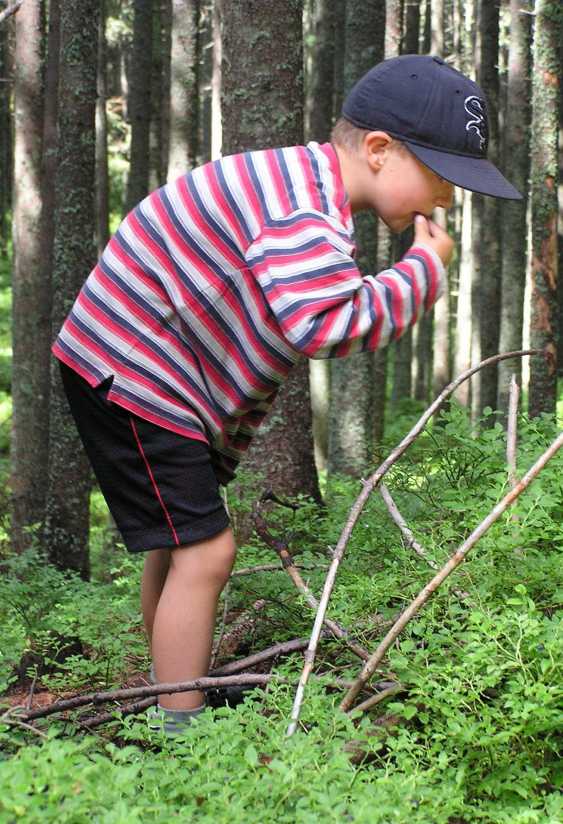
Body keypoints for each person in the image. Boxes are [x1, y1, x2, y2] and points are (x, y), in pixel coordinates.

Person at [52, 55, 521, 731]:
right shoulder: (304, 206)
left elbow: (272, 328)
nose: (446, 200)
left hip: (140, 365)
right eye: (442, 178)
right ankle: (180, 737)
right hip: (130, 365)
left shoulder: (302, 187)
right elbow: (324, 321)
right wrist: (422, 272)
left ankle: (166, 697)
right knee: (207, 549)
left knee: (185, 542)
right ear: (381, 151)